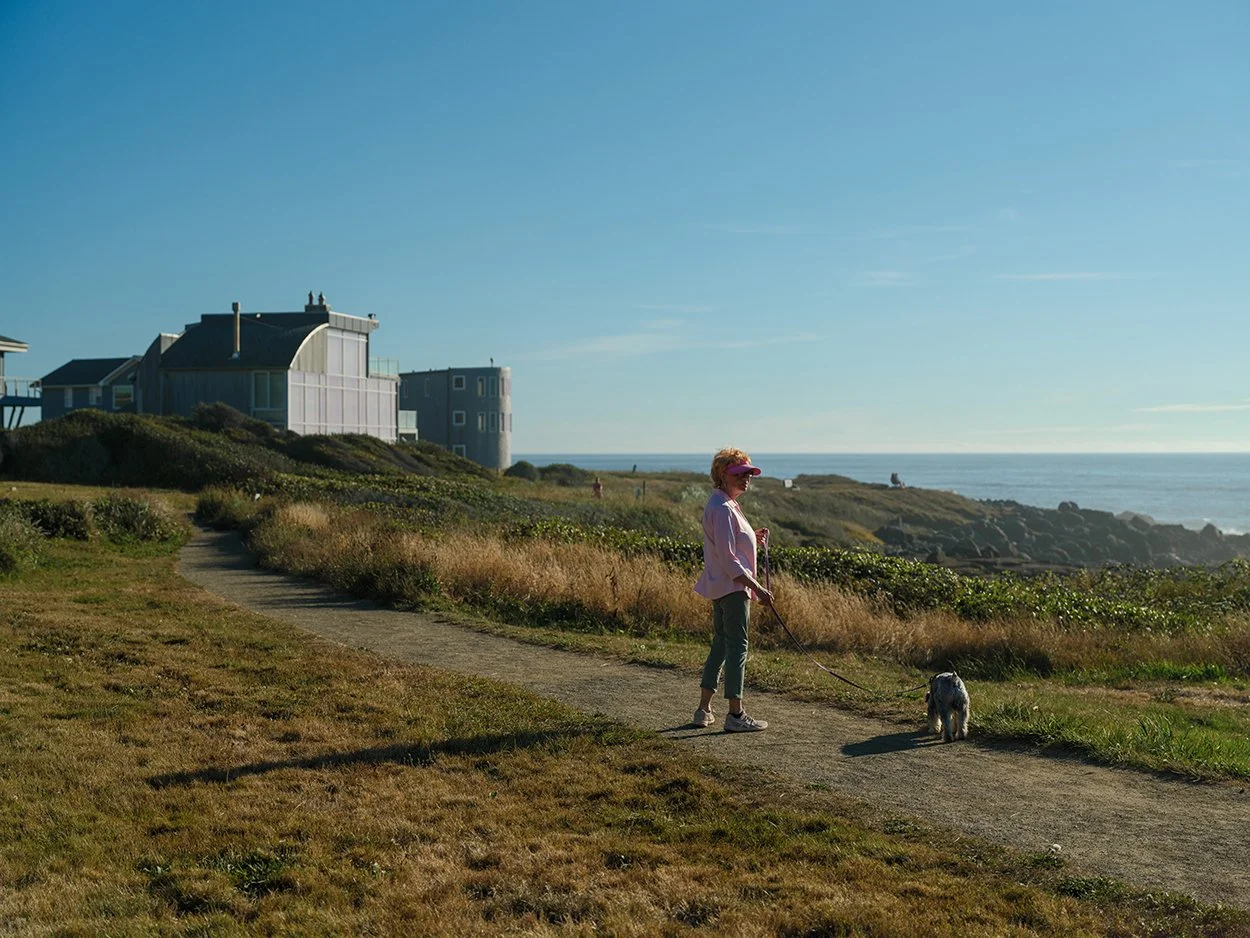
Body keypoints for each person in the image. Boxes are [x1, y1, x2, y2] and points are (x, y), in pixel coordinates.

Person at [691, 448, 773, 732]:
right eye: (740, 474)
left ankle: (704, 710)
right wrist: (757, 587)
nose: (747, 478)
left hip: (721, 587)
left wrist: (754, 536)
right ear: (723, 475)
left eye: (748, 473)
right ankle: (736, 715)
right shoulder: (724, 508)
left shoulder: (722, 503)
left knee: (721, 645)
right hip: (734, 588)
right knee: (738, 646)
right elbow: (729, 558)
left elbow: (728, 545)